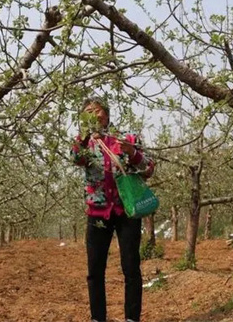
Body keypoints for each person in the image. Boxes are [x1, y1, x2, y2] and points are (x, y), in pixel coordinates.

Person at [71, 97, 155, 322]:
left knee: (131, 267)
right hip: (97, 212)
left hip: (126, 211)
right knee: (95, 270)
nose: (93, 115)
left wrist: (132, 152)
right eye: (88, 111)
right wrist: (86, 138)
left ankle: (131, 318)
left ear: (106, 115)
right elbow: (75, 158)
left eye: (97, 111)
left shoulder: (126, 138)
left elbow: (149, 168)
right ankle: (98, 318)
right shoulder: (84, 142)